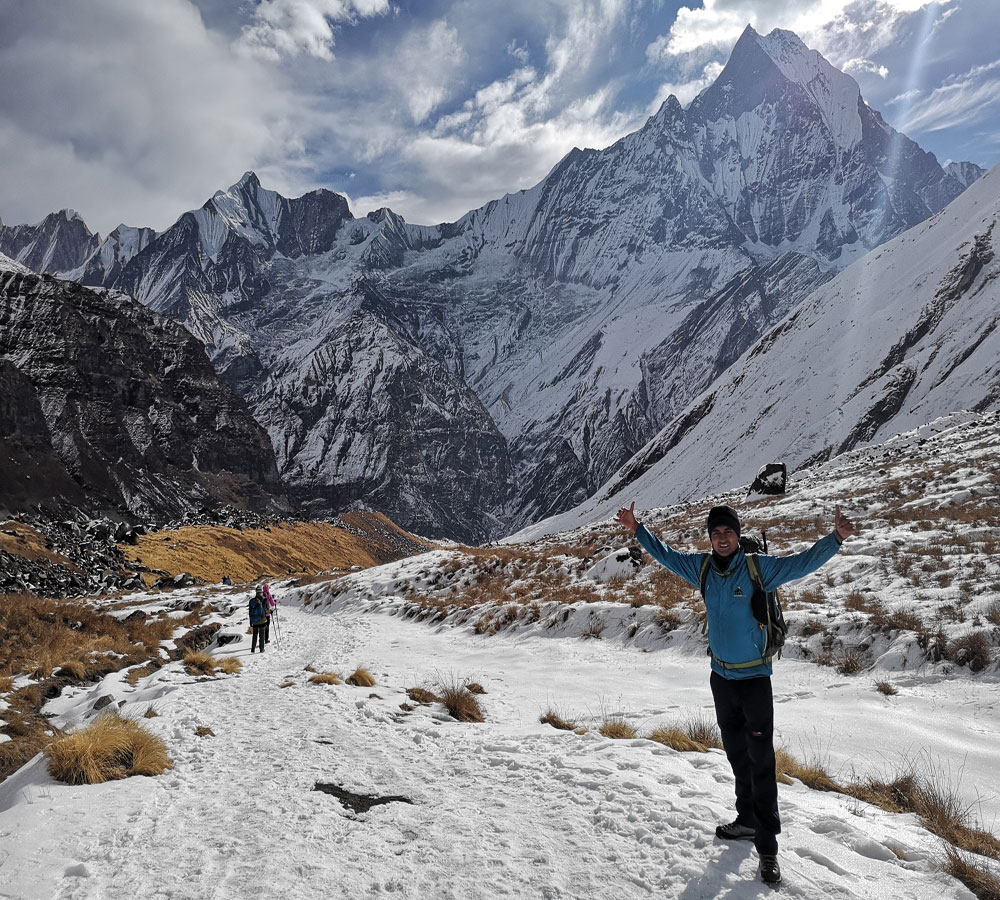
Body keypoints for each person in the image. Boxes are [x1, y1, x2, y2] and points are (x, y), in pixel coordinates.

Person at [615, 501, 856, 886]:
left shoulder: (759, 568)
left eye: (728, 532)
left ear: (737, 534)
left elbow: (799, 564)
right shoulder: (704, 568)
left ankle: (768, 850)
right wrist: (637, 529)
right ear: (710, 538)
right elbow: (667, 556)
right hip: (721, 679)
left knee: (761, 763)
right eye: (716, 533)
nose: (722, 538)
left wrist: (835, 540)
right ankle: (746, 820)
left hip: (754, 680)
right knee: (737, 756)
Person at [249, 585, 268, 653]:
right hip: (262, 620)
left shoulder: (252, 601)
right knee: (261, 636)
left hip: (254, 620)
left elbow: (250, 612)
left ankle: (253, 649)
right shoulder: (264, 599)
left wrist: (251, 622)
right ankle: (261, 649)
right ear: (261, 591)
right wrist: (270, 612)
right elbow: (266, 610)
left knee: (255, 635)